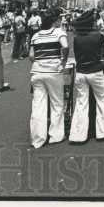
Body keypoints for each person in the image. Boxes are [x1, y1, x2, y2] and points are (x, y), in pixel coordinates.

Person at [29, 9, 70, 149]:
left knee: (38, 105)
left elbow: (31, 56)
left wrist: (41, 60)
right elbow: (65, 46)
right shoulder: (58, 32)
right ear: (54, 22)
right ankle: (56, 136)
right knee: (57, 104)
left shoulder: (35, 36)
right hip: (53, 72)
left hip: (37, 72)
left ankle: (37, 139)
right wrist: (62, 62)